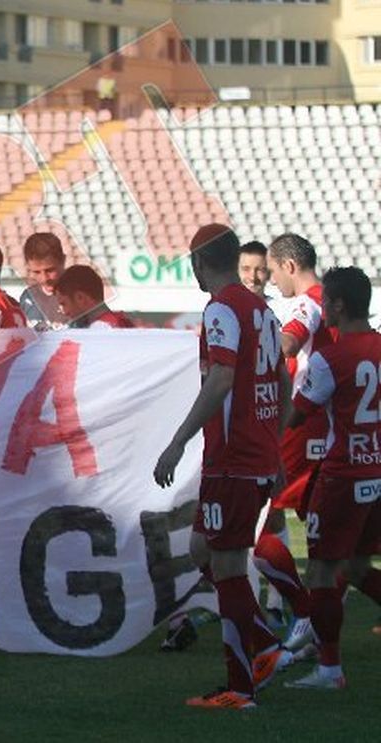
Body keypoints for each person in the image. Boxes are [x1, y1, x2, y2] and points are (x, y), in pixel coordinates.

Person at [153, 224, 293, 710]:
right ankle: (267, 645)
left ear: (197, 263)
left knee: (227, 565)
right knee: (202, 551)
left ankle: (240, 686)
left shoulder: (222, 310)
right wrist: (275, 448)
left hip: (232, 459)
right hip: (249, 456)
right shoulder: (262, 310)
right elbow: (282, 381)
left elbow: (222, 380)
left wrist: (176, 442)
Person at [282, 266, 381, 690]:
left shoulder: (330, 357)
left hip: (342, 475)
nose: (323, 310)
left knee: (321, 573)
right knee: (357, 567)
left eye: (327, 304)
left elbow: (298, 413)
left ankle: (329, 670)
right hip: (377, 471)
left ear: (338, 305)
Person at [255, 233, 334, 637]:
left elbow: (287, 344)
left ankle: (303, 615)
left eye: (271, 271)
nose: (270, 281)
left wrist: (252, 341)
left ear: (288, 266)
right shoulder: (328, 298)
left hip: (301, 426)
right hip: (323, 424)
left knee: (262, 515)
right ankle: (304, 612)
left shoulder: (307, 302)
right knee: (322, 528)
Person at [54, 264, 135, 329]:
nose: (63, 311)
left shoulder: (100, 329)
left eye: (63, 304)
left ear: (80, 298)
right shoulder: (119, 320)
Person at [18, 233, 70, 331]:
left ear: (63, 261)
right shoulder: (28, 297)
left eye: (50, 270)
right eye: (36, 272)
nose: (44, 278)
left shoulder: (81, 295)